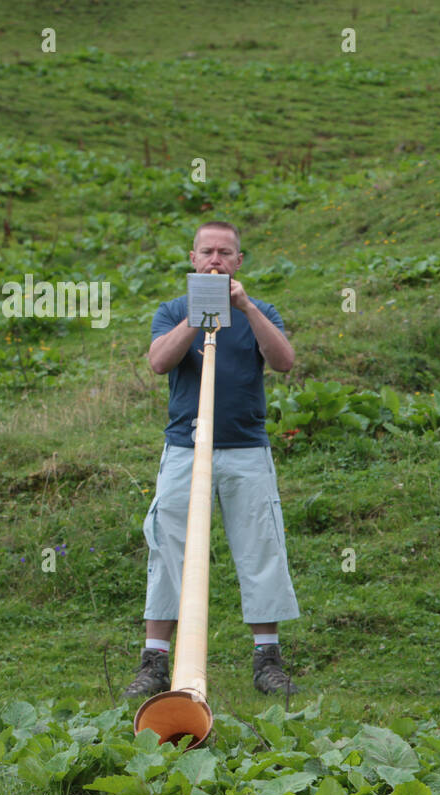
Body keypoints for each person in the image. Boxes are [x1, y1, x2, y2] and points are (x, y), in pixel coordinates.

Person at [124, 221, 301, 699]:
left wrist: (244, 308)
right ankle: (155, 661)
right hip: (185, 449)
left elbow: (284, 361)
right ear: (193, 258)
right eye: (207, 252)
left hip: (246, 449)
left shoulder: (260, 310)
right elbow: (158, 362)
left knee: (260, 546)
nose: (216, 261)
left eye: (225, 253)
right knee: (167, 547)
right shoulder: (173, 310)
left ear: (239, 262)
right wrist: (197, 313)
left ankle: (267, 659)